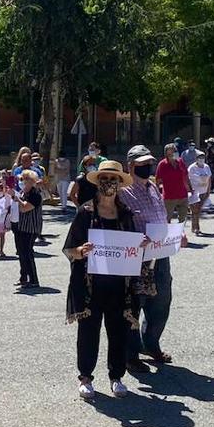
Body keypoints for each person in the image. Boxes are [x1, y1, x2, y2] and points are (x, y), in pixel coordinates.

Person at [64, 160, 141, 400]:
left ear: (120, 184)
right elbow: (69, 249)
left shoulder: (127, 214)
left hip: (119, 286)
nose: (109, 184)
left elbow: (132, 249)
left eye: (114, 180)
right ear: (98, 183)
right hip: (90, 285)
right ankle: (85, 377)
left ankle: (116, 377)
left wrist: (142, 245)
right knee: (88, 332)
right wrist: (81, 251)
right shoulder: (85, 213)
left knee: (118, 332)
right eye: (104, 179)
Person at [119, 145, 175, 372]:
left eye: (149, 163)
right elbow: (118, 225)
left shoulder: (152, 187)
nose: (148, 167)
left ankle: (150, 344)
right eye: (143, 164)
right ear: (131, 166)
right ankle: (130, 355)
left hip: (160, 254)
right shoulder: (122, 192)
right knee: (133, 307)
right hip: (136, 258)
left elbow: (161, 218)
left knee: (161, 302)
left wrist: (176, 236)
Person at [14, 169, 44, 289]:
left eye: (25, 180)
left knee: (27, 253)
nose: (22, 182)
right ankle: (23, 278)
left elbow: (26, 207)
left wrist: (17, 200)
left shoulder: (35, 194)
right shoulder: (23, 192)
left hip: (31, 227)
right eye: (21, 179)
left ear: (32, 182)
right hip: (21, 226)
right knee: (21, 253)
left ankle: (33, 280)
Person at [156, 143, 192, 224]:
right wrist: (157, 194)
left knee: (183, 219)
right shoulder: (162, 164)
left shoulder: (180, 161)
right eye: (170, 154)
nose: (172, 155)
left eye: (174, 152)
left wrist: (190, 188)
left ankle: (180, 235)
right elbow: (158, 180)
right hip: (169, 197)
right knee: (166, 219)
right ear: (166, 154)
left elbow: (186, 176)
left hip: (183, 195)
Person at [188, 150, 213, 235]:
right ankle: (196, 228)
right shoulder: (192, 168)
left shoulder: (206, 167)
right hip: (194, 192)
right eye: (199, 157)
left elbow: (209, 179)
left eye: (203, 157)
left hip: (203, 191)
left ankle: (195, 227)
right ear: (196, 158)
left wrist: (209, 190)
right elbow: (188, 179)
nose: (201, 159)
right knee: (195, 210)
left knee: (198, 210)